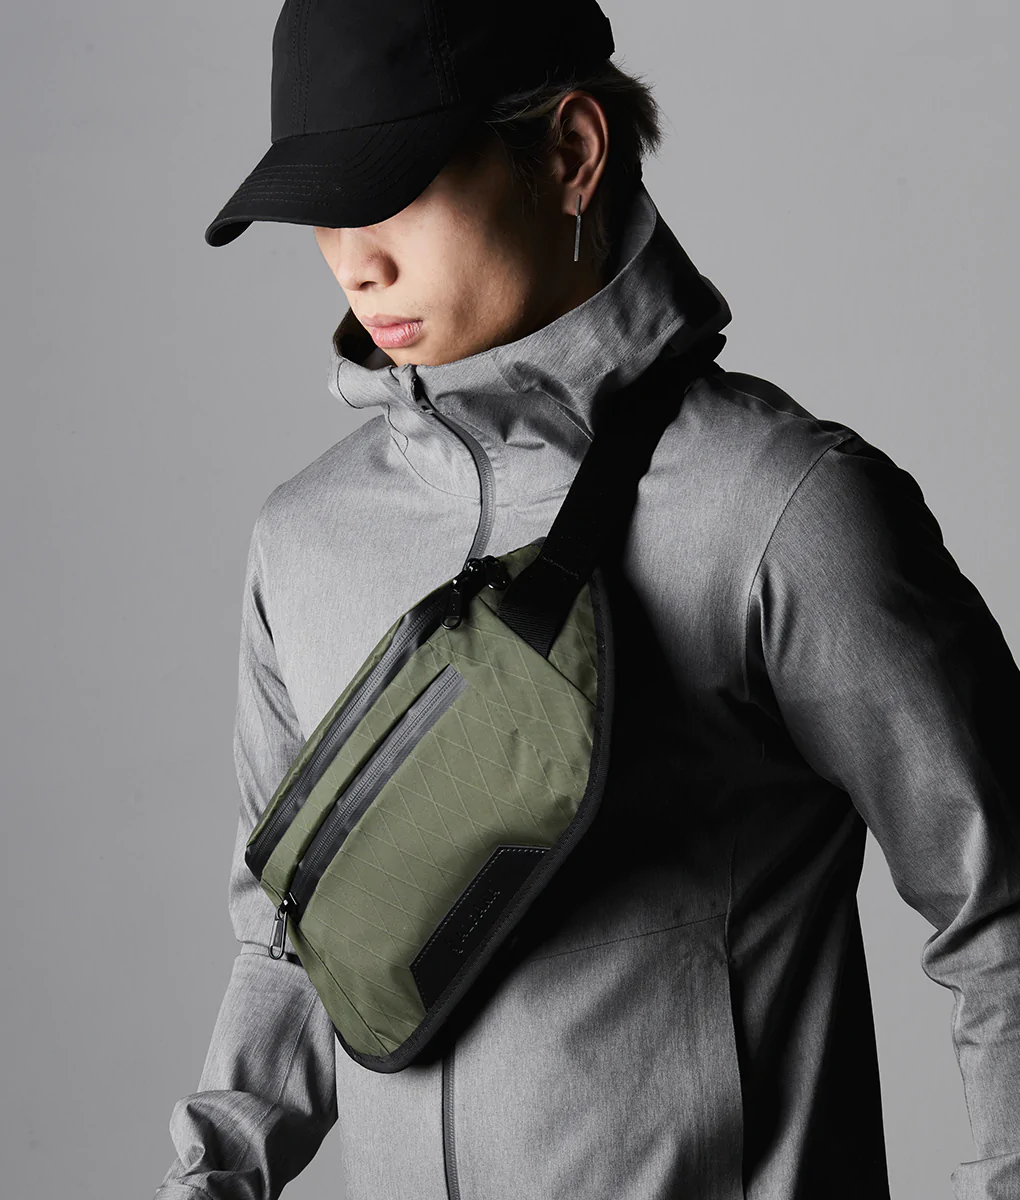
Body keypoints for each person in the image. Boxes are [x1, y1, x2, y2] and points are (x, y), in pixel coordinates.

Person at [155, 2, 1020, 1198]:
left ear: (570, 152)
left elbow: (1002, 901)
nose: (356, 259)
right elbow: (290, 943)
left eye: (392, 191)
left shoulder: (774, 508)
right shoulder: (305, 543)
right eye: (321, 211)